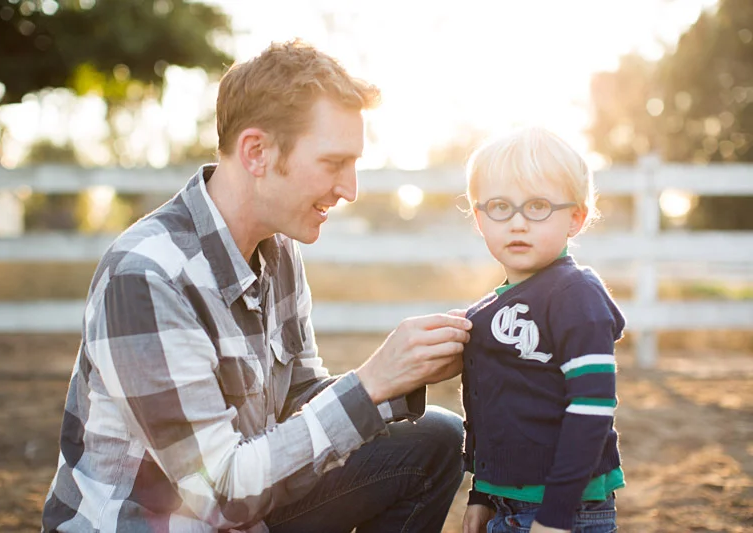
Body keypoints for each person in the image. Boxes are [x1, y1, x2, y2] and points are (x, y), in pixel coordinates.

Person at [41, 40, 471, 533]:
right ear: (257, 152)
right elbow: (219, 493)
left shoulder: (278, 249)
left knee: (434, 439)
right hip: (169, 520)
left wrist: (404, 375)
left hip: (241, 509)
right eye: (334, 163)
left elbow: (298, 403)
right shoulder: (146, 277)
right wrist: (370, 383)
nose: (350, 189)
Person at [460, 127, 626, 533]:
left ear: (575, 218)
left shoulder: (575, 295)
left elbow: (592, 408)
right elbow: (497, 408)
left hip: (565, 510)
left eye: (538, 206)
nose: (518, 223)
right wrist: (482, 493)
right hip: (506, 502)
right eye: (500, 206)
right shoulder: (488, 311)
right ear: (479, 219)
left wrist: (557, 513)